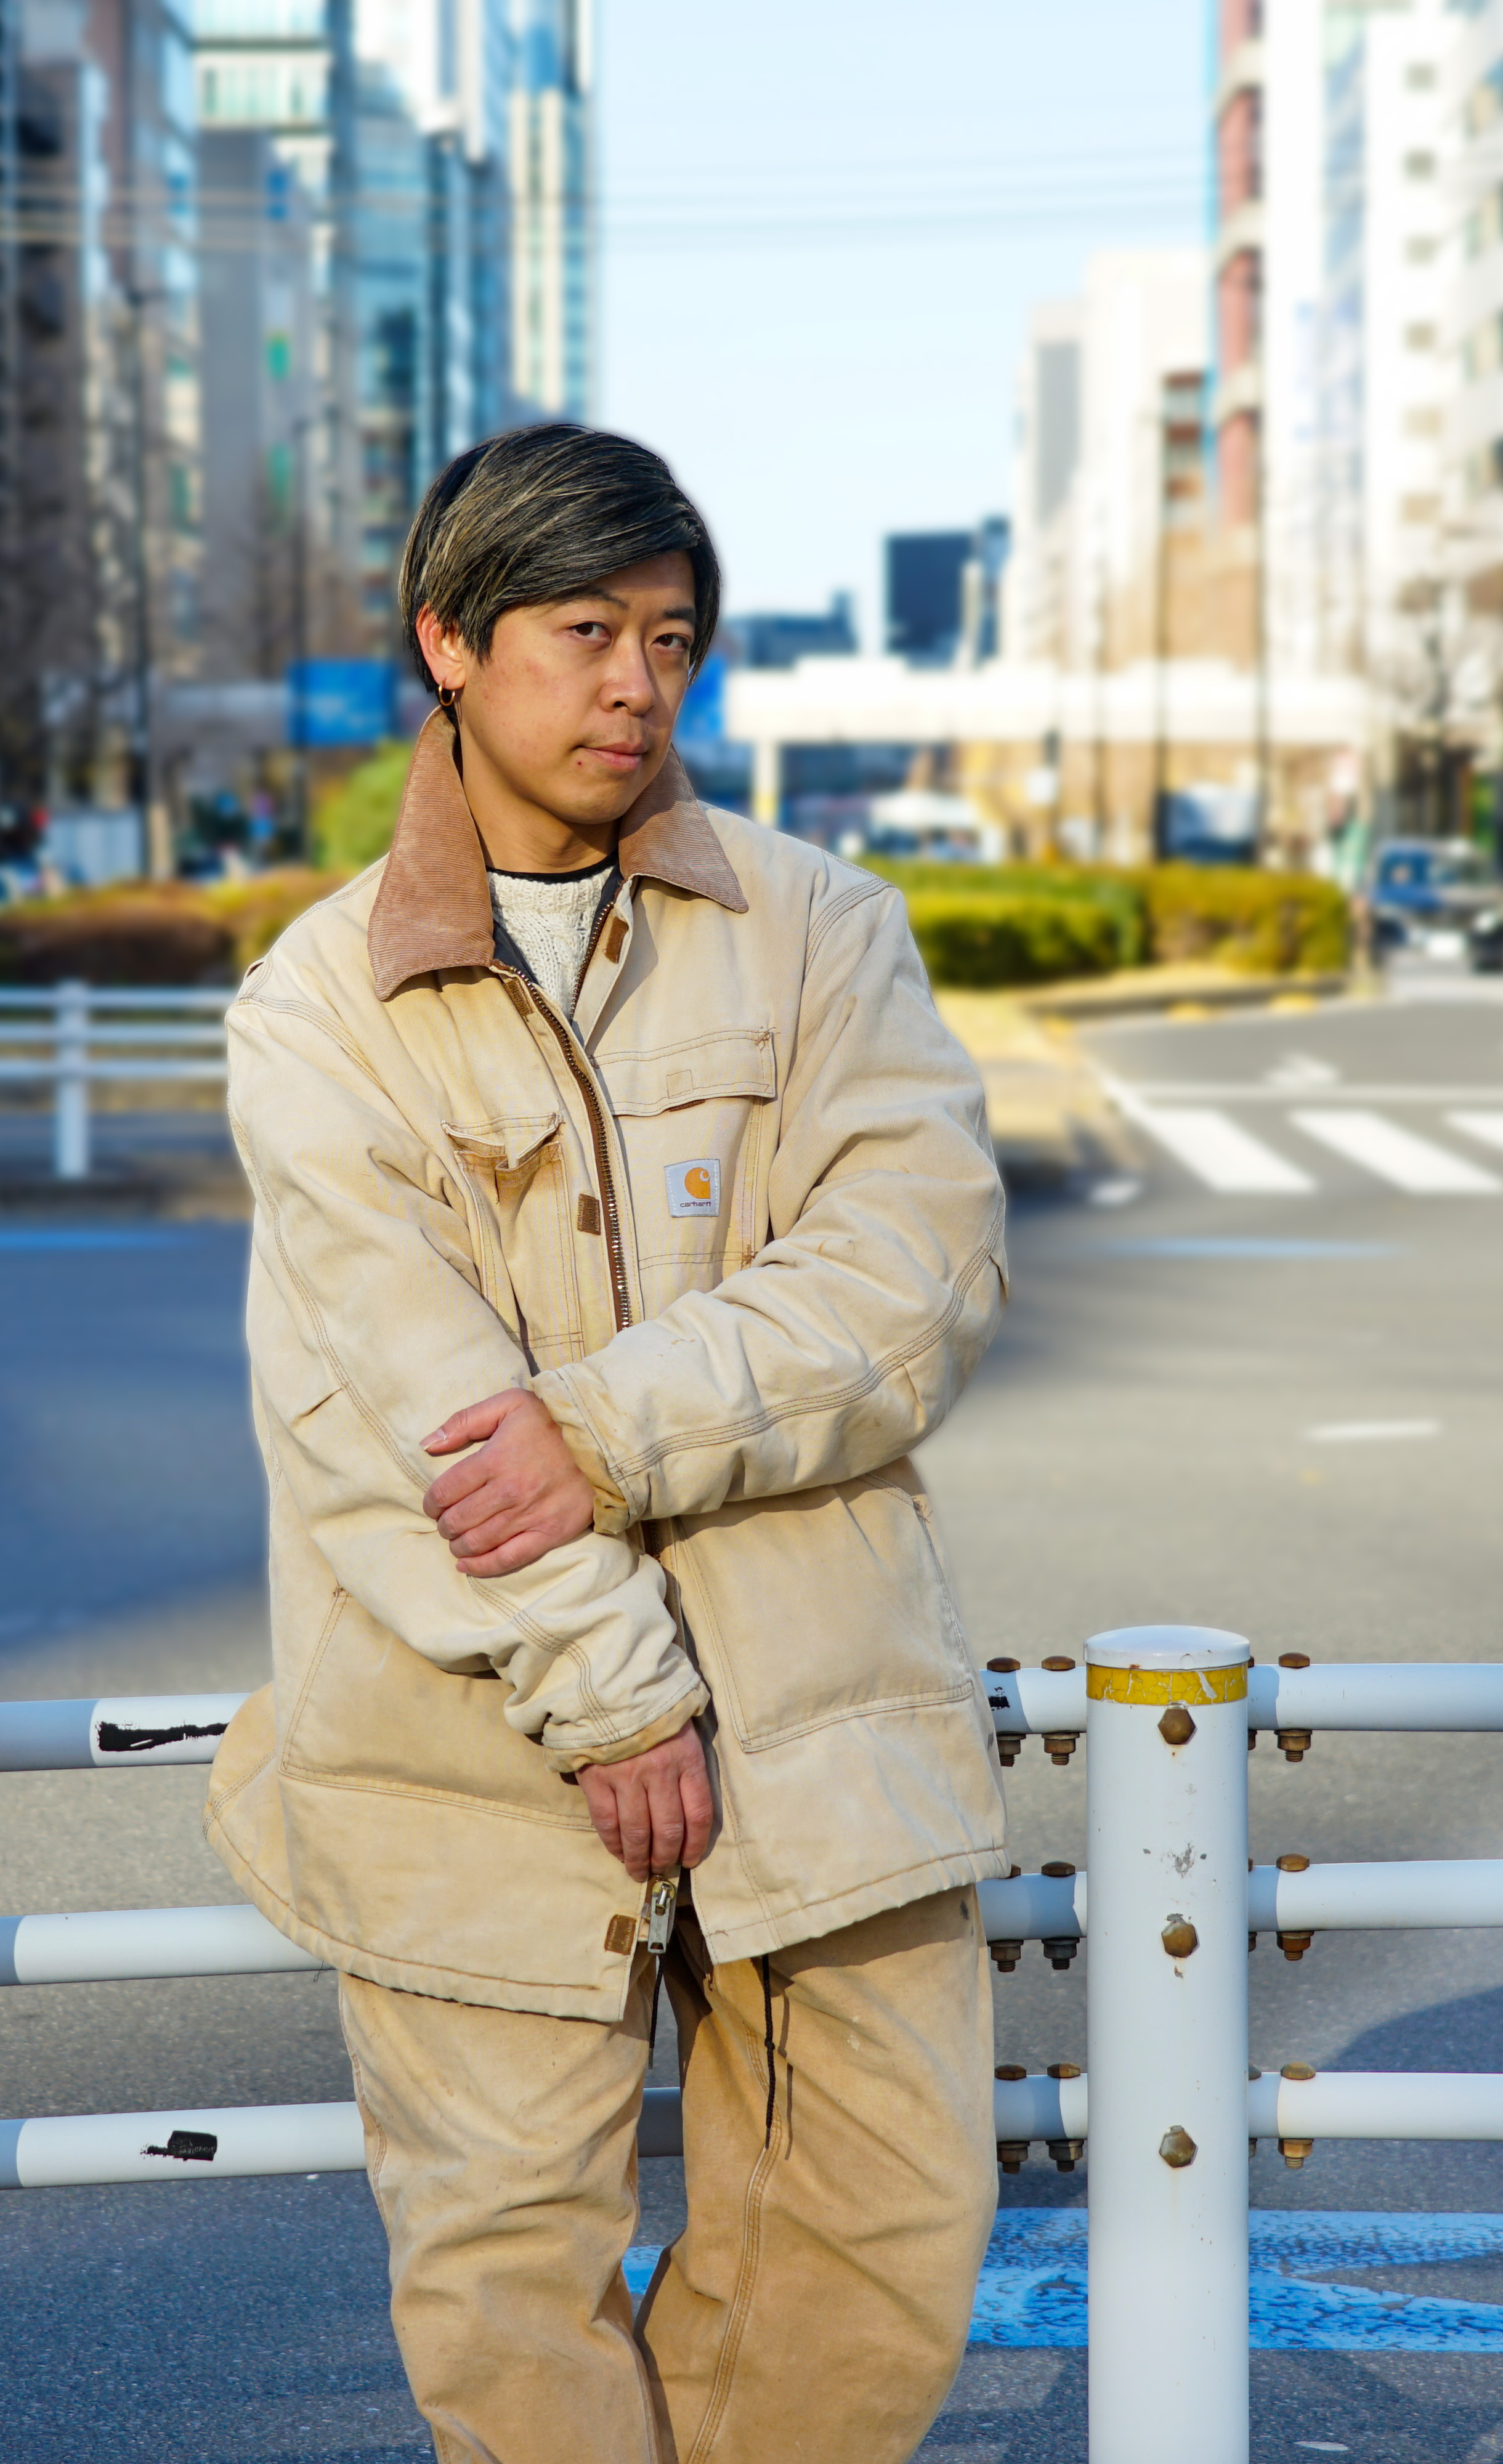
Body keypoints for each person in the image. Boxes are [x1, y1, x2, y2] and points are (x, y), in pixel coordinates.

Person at [204, 423, 1015, 2464]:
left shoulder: (821, 927)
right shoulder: (319, 1004)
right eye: (584, 632)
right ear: (449, 643)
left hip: (818, 1715)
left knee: (884, 2239)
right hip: (466, 1739)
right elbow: (395, 1402)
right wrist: (618, 1689)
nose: (637, 685)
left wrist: (594, 1430)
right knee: (509, 2300)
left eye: (671, 638)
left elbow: (916, 1277)